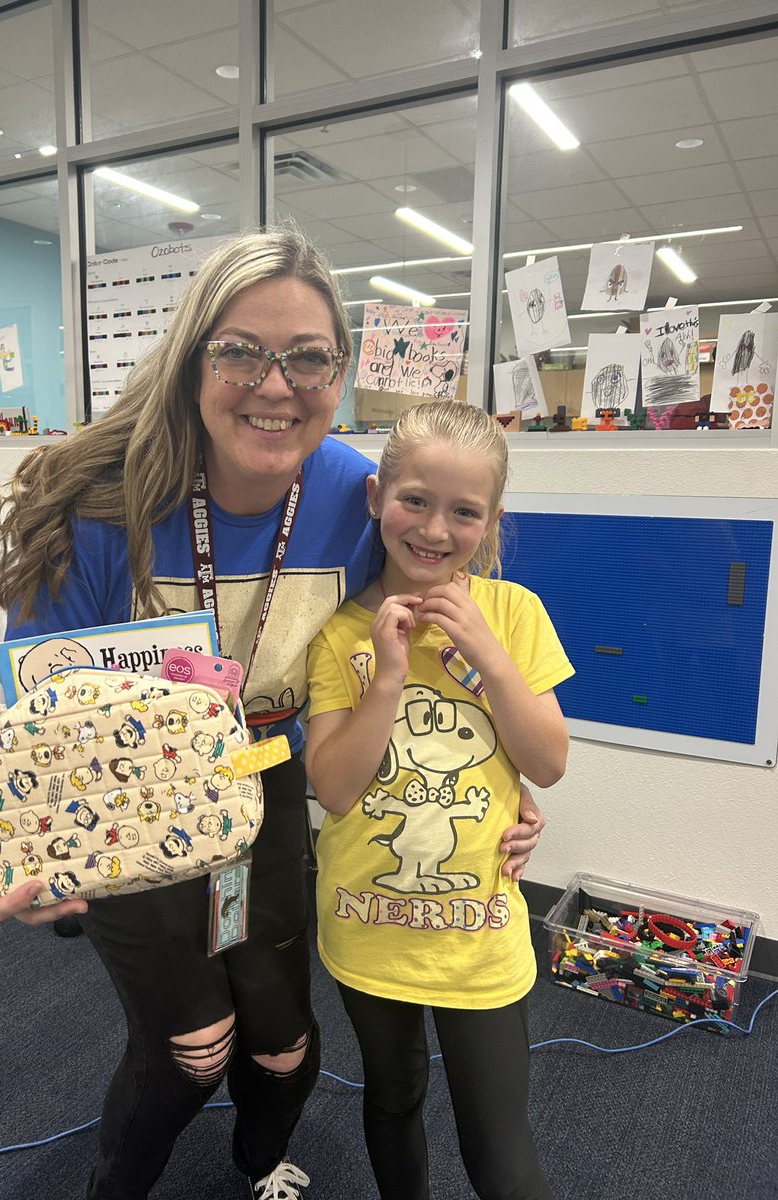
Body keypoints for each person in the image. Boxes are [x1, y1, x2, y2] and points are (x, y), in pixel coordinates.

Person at [0, 228, 547, 1200]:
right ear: (192, 360)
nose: (276, 384)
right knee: (194, 1052)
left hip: (259, 785)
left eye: (307, 357)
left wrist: (496, 788)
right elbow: (35, 715)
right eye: (241, 351)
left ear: (338, 373)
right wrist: (3, 833)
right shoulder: (101, 503)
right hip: (124, 803)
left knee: (286, 1051)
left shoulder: (357, 495)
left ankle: (262, 1167)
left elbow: (446, 628)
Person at [305, 400, 574, 1200]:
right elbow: (336, 788)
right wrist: (386, 674)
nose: (433, 528)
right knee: (393, 1101)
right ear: (375, 500)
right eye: (414, 499)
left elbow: (548, 762)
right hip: (365, 928)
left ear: (490, 524)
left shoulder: (514, 614)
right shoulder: (340, 636)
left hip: (480, 935)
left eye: (464, 511)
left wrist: (486, 651)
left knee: (498, 1143)